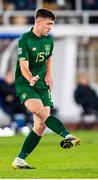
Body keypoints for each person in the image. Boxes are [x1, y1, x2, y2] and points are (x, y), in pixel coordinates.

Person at [12, 8, 80, 169]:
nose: (50, 27)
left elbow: (48, 58)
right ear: (39, 22)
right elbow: (23, 66)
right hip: (26, 85)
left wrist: (49, 75)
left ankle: (20, 160)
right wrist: (30, 78)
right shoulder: (24, 40)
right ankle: (67, 135)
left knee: (41, 126)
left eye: (52, 24)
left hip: (42, 84)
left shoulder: (49, 40)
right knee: (41, 113)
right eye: (48, 23)